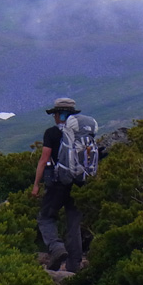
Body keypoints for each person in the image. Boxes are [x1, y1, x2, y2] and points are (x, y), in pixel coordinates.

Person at [32, 97, 83, 273]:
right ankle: (74, 266)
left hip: (58, 183)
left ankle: (56, 248)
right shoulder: (82, 133)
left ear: (57, 115)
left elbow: (44, 159)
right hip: (79, 184)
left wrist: (36, 185)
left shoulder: (52, 133)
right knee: (73, 223)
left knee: (45, 217)